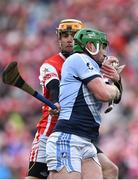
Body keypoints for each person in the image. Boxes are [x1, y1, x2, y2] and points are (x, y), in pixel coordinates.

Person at [26, 19, 120, 179]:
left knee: (110, 169)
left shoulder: (90, 63)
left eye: (74, 35)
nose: (69, 39)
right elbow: (54, 85)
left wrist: (114, 78)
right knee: (35, 177)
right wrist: (56, 101)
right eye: (65, 35)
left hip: (80, 132)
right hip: (51, 129)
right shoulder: (51, 64)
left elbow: (107, 93)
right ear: (59, 38)